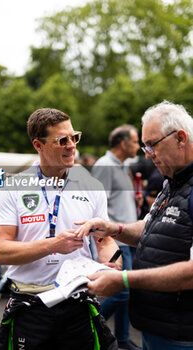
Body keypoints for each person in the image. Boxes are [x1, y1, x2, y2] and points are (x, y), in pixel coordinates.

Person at [0, 107, 119, 350]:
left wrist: (112, 263)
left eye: (74, 137)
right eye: (62, 140)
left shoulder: (91, 185)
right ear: (38, 145)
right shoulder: (13, 188)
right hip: (30, 308)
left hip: (78, 305)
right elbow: (0, 252)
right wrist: (53, 245)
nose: (71, 145)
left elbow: (105, 240)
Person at [76, 100, 193, 350]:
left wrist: (125, 280)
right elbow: (149, 229)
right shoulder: (172, 182)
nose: (147, 154)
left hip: (181, 336)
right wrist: (114, 228)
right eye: (144, 145)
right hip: (156, 328)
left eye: (152, 145)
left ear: (181, 138)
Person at [91, 125, 141, 350]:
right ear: (123, 143)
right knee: (122, 292)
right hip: (116, 242)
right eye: (136, 141)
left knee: (125, 295)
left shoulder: (123, 166)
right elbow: (96, 207)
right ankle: (87, 324)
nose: (139, 146)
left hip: (128, 238)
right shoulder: (105, 166)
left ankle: (122, 340)